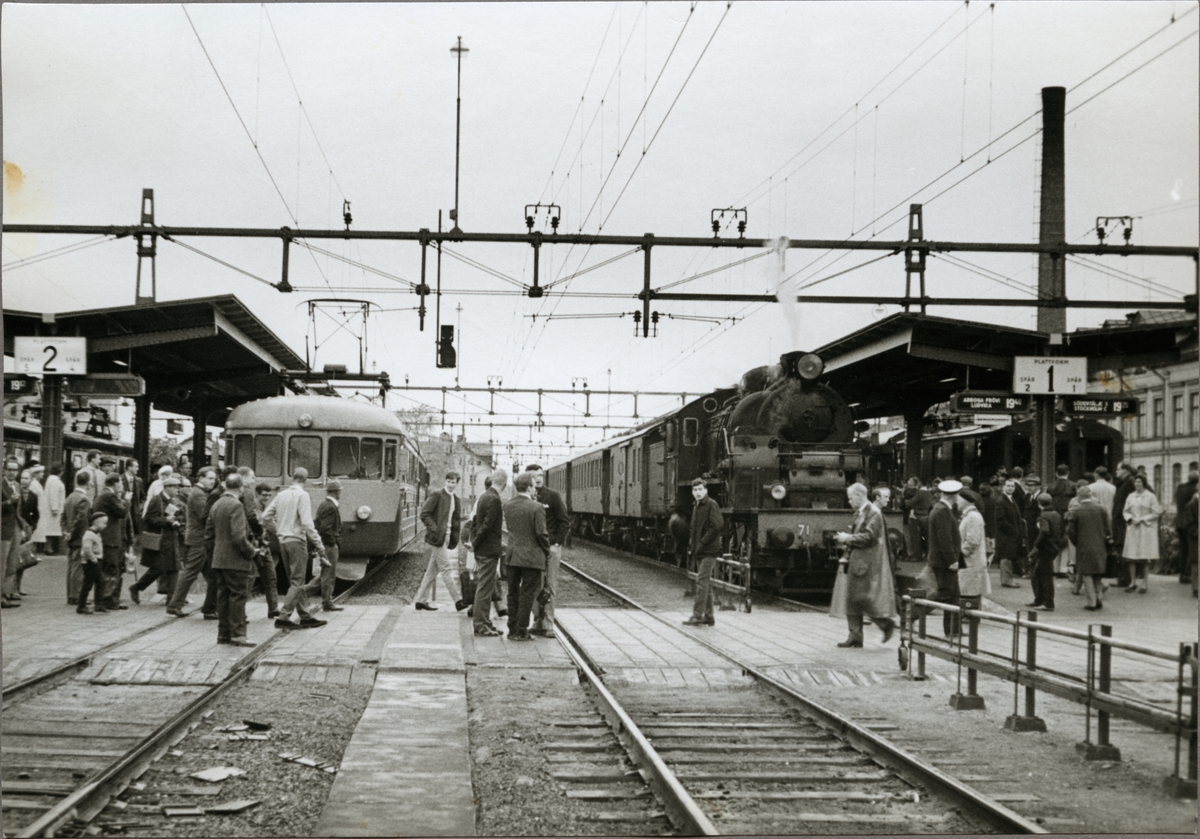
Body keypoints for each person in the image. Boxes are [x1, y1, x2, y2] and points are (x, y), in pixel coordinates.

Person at [261, 467, 328, 630]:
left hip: (283, 542)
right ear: (306, 479)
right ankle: (284, 616)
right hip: (297, 541)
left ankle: (305, 616)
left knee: (294, 581)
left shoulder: (281, 495)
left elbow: (265, 517)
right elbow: (306, 523)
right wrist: (320, 545)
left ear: (293, 478)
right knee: (298, 581)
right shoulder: (303, 495)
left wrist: (278, 530)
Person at [832, 482, 898, 648]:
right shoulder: (860, 512)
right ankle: (855, 635)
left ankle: (885, 624)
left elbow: (869, 537)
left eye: (851, 498)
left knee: (860, 598)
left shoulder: (873, 514)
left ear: (860, 496)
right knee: (853, 598)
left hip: (867, 563)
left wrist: (847, 538)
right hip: (858, 561)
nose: (849, 501)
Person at [207, 473, 257, 647]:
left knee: (223, 596)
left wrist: (215, 553)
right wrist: (251, 551)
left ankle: (223, 634)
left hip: (219, 559)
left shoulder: (216, 504)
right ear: (241, 488)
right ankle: (238, 634)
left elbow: (208, 534)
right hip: (235, 560)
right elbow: (238, 536)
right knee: (238, 596)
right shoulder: (236, 505)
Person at [501, 471, 550, 641]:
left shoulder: (507, 505)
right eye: (533, 485)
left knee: (512, 593)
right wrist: (547, 550)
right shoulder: (537, 507)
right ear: (529, 487)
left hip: (513, 556)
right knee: (527, 594)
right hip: (531, 557)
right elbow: (541, 533)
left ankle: (512, 629)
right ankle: (522, 630)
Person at [167, 467, 219, 618]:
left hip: (201, 540)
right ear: (200, 478)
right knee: (190, 573)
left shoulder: (200, 493)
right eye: (210, 478)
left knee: (213, 577)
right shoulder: (198, 494)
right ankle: (174, 605)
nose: (212, 481)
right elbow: (206, 517)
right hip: (199, 540)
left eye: (214, 479)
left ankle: (209, 608)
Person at [414, 471, 466, 612]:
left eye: (453, 482)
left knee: (432, 571)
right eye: (448, 481)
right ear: (445, 481)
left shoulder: (455, 498)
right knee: (446, 568)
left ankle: (420, 601)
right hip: (437, 538)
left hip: (447, 537)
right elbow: (424, 513)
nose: (450, 484)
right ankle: (458, 601)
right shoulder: (437, 494)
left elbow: (454, 520)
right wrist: (435, 529)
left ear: (456, 483)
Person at [527, 464, 569, 639]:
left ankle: (549, 624)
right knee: (534, 586)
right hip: (533, 548)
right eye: (534, 476)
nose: (538, 479)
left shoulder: (552, 496)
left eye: (541, 476)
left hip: (550, 549)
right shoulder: (526, 497)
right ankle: (537, 622)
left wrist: (557, 543)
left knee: (550, 586)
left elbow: (564, 521)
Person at [128, 476, 185, 604]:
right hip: (160, 540)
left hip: (171, 538)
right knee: (158, 569)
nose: (177, 490)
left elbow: (176, 516)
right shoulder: (156, 500)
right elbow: (149, 518)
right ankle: (136, 587)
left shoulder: (172, 500)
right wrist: (166, 521)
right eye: (175, 487)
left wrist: (176, 522)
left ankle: (172, 599)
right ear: (167, 487)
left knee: (174, 568)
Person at [471, 469, 508, 637]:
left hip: (483, 550)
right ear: (505, 485)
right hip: (488, 551)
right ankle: (480, 625)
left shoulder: (484, 496)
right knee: (485, 589)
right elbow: (486, 526)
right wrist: (475, 543)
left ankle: (485, 622)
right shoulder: (494, 499)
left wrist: (474, 543)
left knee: (485, 588)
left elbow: (475, 523)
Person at [684, 477, 724, 627]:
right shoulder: (697, 506)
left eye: (700, 489)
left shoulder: (711, 504)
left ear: (706, 490)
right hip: (700, 550)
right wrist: (692, 545)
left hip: (709, 550)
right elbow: (694, 529)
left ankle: (697, 615)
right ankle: (709, 616)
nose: (698, 492)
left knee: (701, 582)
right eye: (695, 490)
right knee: (706, 583)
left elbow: (718, 525)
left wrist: (702, 542)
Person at [927, 479, 963, 636]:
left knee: (952, 595)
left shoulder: (939, 508)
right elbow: (944, 538)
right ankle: (915, 611)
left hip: (941, 560)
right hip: (944, 562)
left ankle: (954, 630)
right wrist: (952, 560)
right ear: (954, 496)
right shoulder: (943, 511)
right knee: (947, 594)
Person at [89, 473, 130, 610]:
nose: (122, 486)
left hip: (107, 538)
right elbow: (122, 512)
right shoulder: (109, 496)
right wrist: (127, 501)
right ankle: (106, 601)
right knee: (111, 569)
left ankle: (111, 600)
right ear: (116, 483)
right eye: (121, 483)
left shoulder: (102, 495)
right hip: (110, 539)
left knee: (110, 569)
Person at [1067, 485, 1111, 611]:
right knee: (1097, 573)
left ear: (1079, 496)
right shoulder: (1101, 509)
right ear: (1090, 495)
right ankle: (1099, 599)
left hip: (1083, 546)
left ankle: (1091, 602)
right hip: (1100, 545)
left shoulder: (1075, 511)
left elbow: (1071, 531)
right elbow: (1108, 527)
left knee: (1086, 574)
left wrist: (1077, 543)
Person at [953, 488, 991, 623]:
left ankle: (971, 617)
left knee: (970, 590)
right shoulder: (969, 515)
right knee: (967, 589)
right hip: (969, 561)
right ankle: (969, 615)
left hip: (971, 561)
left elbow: (972, 540)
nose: (956, 501)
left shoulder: (973, 516)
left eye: (958, 498)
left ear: (965, 500)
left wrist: (961, 554)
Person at [1122, 474, 1162, 594]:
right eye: (1136, 482)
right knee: (1131, 556)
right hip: (1133, 528)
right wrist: (1130, 518)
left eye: (1139, 482)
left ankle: (1144, 583)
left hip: (1146, 529)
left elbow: (1156, 513)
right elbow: (1125, 511)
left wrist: (1143, 519)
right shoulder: (1131, 496)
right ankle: (1133, 582)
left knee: (1145, 557)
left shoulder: (1151, 496)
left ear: (1144, 483)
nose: (1137, 484)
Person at [1028, 493, 1064, 612]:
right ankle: (1040, 600)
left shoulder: (1043, 515)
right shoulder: (1056, 514)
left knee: (1044, 575)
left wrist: (1036, 547)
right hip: (1054, 547)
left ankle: (1048, 603)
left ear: (1039, 503)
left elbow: (1044, 531)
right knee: (1039, 574)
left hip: (1045, 548)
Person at [62, 470, 92, 605]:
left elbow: (63, 517)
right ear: (88, 483)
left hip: (70, 536)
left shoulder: (70, 497)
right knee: (78, 567)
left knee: (71, 566)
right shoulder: (84, 499)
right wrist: (73, 534)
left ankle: (70, 594)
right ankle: (76, 595)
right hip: (79, 537)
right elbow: (81, 521)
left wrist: (66, 532)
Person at [314, 480, 344, 612]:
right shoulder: (330, 507)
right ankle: (327, 602)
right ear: (336, 492)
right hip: (329, 546)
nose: (340, 493)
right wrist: (333, 542)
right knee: (329, 574)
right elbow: (326, 529)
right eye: (339, 491)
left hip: (325, 544)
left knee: (325, 574)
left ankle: (303, 593)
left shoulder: (324, 505)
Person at [1110, 463, 1137, 587]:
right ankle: (1124, 577)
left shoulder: (1130, 482)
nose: (1116, 471)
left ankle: (1125, 578)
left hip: (1124, 522)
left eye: (1118, 469)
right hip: (1120, 521)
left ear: (1126, 470)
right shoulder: (1125, 482)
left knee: (1123, 548)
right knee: (1121, 548)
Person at [994, 478, 1024, 588]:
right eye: (1008, 486)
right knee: (1006, 556)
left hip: (1011, 534)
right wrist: (1013, 530)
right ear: (1003, 487)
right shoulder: (1001, 500)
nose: (1010, 488)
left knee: (1009, 556)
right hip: (1006, 534)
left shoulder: (1011, 499)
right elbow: (1001, 520)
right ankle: (1007, 580)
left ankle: (1008, 579)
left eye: (1012, 486)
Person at [77, 512, 109, 614]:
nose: (105, 525)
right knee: (88, 583)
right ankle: (81, 606)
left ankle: (99, 604)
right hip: (90, 562)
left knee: (100, 581)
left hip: (95, 561)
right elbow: (87, 549)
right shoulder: (89, 534)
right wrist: (93, 559)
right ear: (96, 522)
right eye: (104, 523)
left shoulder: (96, 533)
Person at [1, 459, 21, 608]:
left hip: (15, 527)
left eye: (15, 470)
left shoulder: (18, 486)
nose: (12, 472)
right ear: (4, 470)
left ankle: (7, 594)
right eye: (10, 469)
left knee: (12, 563)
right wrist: (8, 502)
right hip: (3, 529)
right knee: (2, 563)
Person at [902, 477, 932, 563]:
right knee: (926, 537)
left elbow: (909, 504)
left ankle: (917, 556)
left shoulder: (919, 493)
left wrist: (907, 502)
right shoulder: (930, 493)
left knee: (915, 537)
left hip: (916, 517)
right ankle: (927, 555)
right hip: (926, 516)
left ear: (919, 484)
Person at [1178, 492, 1199, 598]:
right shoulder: (1191, 505)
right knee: (1196, 563)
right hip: (1195, 538)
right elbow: (1189, 525)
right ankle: (1196, 589)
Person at [43, 464, 66, 556]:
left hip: (50, 508)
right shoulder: (55, 481)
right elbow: (54, 495)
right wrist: (54, 508)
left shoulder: (51, 479)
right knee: (51, 530)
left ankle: (48, 548)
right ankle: (49, 548)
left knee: (50, 529)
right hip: (53, 509)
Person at [27, 463, 48, 554]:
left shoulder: (37, 484)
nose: (43, 474)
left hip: (40, 511)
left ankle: (34, 552)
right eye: (41, 472)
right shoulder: (34, 484)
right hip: (37, 511)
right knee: (35, 533)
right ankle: (32, 552)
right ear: (36, 473)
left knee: (38, 532)